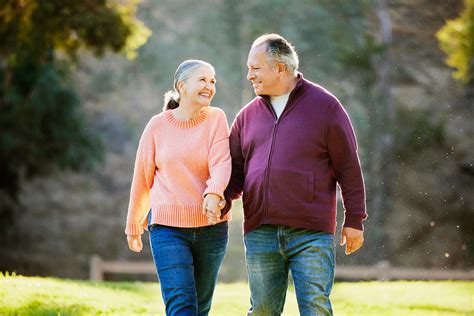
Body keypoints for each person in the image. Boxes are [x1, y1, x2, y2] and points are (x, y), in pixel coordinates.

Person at [222, 34, 368, 315]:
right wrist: (224, 198)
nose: (249, 75)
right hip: (260, 231)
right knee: (263, 309)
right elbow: (235, 171)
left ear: (279, 68)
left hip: (310, 232)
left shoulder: (326, 107)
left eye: (255, 68)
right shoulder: (246, 116)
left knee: (315, 307)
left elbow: (348, 167)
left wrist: (354, 219)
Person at [124, 59, 231, 316]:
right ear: (182, 86)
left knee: (200, 307)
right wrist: (133, 224)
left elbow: (222, 162)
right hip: (167, 229)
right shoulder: (157, 126)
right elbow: (142, 177)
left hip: (211, 229)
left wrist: (214, 192)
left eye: (212, 81)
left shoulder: (216, 118)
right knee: (182, 306)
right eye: (202, 80)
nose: (209, 86)